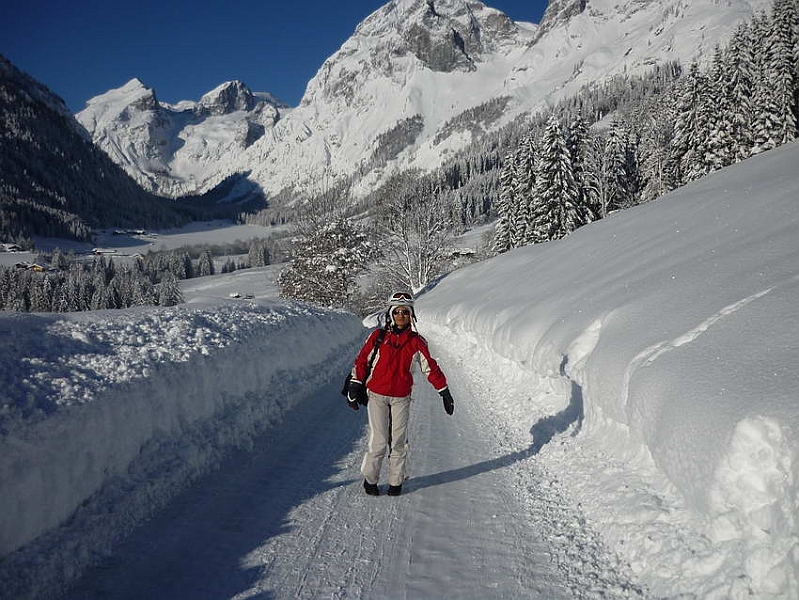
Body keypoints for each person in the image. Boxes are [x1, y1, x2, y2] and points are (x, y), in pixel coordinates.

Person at [347, 291, 455, 497]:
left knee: (398, 441)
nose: (401, 315)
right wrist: (354, 385)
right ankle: (370, 479)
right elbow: (362, 361)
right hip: (376, 395)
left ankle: (396, 481)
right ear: (390, 313)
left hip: (401, 397)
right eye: (397, 311)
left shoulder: (416, 341)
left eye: (405, 312)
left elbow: (429, 367)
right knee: (378, 440)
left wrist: (444, 391)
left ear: (411, 315)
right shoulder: (378, 337)